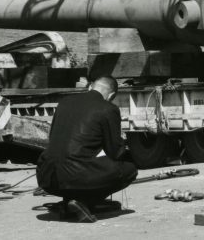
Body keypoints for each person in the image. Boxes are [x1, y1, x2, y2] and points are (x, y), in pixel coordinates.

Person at [36, 76, 138, 222]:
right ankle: (85, 202)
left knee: (74, 162)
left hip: (47, 176)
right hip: (77, 175)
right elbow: (115, 151)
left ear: (90, 87)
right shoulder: (108, 109)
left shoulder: (64, 103)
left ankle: (68, 203)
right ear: (111, 96)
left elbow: (55, 140)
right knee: (129, 169)